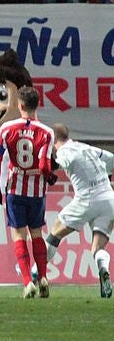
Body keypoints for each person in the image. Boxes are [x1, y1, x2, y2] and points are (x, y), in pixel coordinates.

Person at [0, 86, 56, 298]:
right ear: (38, 104)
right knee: (37, 233)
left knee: (19, 234)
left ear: (20, 105)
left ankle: (28, 282)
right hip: (37, 190)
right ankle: (44, 277)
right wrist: (49, 177)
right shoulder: (47, 132)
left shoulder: (7, 129)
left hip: (15, 187)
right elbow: (45, 164)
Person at [42, 124, 114, 298]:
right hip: (109, 199)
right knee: (98, 247)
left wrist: (47, 164)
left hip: (87, 200)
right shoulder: (85, 147)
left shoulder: (64, 152)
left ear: (53, 140)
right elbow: (111, 158)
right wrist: (107, 175)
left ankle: (37, 271)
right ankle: (104, 271)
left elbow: (61, 162)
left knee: (55, 233)